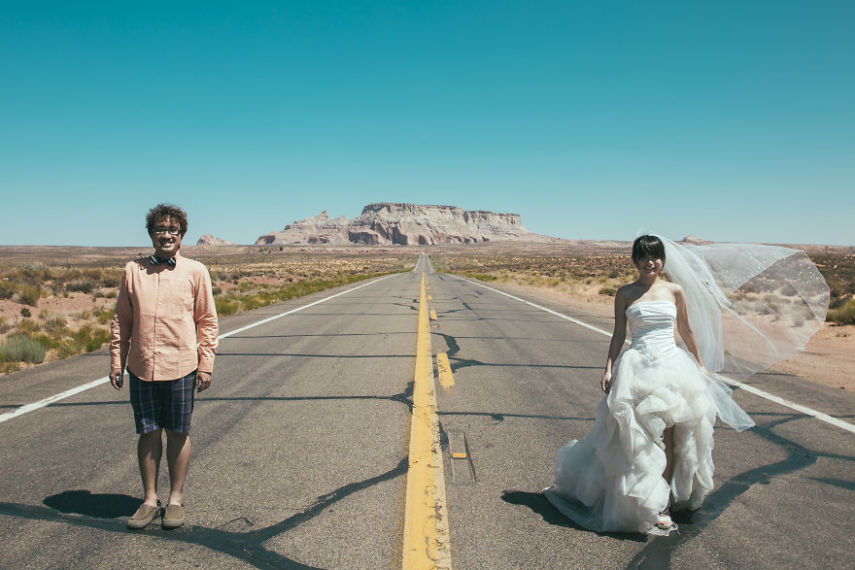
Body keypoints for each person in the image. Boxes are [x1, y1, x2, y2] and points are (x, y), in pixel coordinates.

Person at [543, 234, 828, 535]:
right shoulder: (625, 293)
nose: (649, 262)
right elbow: (617, 333)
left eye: (655, 256)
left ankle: (664, 499)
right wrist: (609, 368)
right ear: (634, 260)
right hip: (637, 366)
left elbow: (686, 329)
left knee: (675, 434)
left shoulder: (674, 290)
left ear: (662, 260)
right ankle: (645, 497)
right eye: (643, 256)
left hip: (673, 365)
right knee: (638, 437)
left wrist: (700, 364)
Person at [109, 203, 218, 530]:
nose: (166, 235)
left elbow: (207, 321)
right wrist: (117, 359)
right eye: (160, 229)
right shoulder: (133, 271)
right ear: (151, 234)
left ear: (182, 235)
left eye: (173, 230)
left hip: (182, 364)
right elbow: (121, 321)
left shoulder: (195, 271)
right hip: (142, 365)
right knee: (148, 432)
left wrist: (206, 363)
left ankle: (175, 500)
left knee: (178, 432)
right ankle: (148, 499)